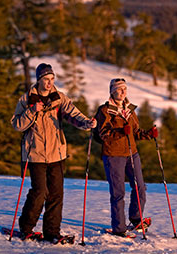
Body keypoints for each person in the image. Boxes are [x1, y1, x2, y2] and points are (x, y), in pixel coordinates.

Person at [11, 63, 97, 242]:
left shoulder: (59, 98)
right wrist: (32, 112)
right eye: (46, 79)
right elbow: (17, 125)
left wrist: (87, 123)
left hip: (57, 153)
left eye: (52, 79)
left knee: (56, 194)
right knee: (40, 192)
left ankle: (52, 232)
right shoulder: (26, 99)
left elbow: (73, 114)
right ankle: (26, 228)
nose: (49, 83)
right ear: (39, 80)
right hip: (35, 154)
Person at [95, 78, 158, 237]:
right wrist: (121, 132)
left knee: (140, 187)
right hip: (113, 155)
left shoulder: (129, 109)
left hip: (132, 153)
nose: (123, 92)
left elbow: (135, 132)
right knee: (118, 192)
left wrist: (148, 134)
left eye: (125, 89)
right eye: (119, 89)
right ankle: (119, 228)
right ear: (112, 91)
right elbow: (104, 134)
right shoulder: (104, 110)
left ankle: (136, 219)